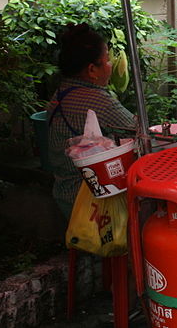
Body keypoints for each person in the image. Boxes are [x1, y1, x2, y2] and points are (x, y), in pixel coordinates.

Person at [47, 24, 135, 219]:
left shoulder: (61, 92)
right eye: (107, 61)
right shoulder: (96, 100)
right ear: (92, 70)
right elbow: (139, 130)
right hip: (90, 202)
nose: (111, 65)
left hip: (64, 193)